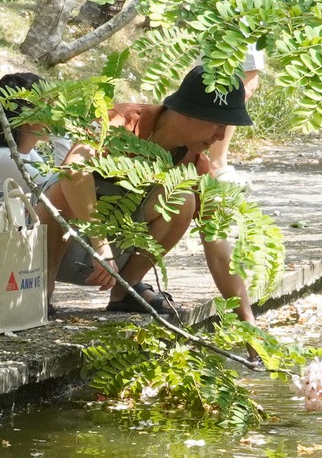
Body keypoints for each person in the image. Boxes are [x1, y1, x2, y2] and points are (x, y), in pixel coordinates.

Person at [95, 63, 263, 322]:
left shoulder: (196, 165)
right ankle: (42, 294)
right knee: (69, 180)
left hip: (111, 262)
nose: (221, 136)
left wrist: (248, 322)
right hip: (65, 242)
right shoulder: (121, 122)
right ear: (189, 111)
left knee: (183, 198)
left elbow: (218, 248)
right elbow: (70, 174)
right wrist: (99, 244)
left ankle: (126, 288)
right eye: (218, 124)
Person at [0, 71, 101, 287]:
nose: (56, 111)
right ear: (26, 114)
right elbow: (59, 187)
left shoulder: (23, 154)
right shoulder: (5, 157)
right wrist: (62, 134)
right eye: (48, 105)